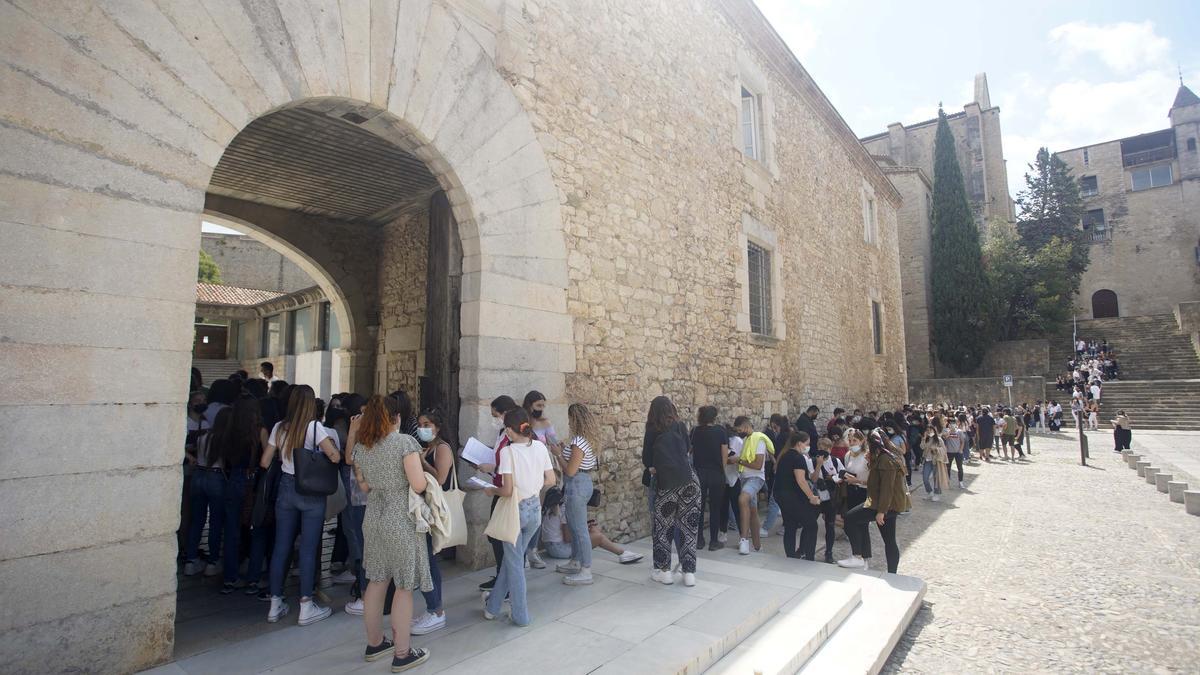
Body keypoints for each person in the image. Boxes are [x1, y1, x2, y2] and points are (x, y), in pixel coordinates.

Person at [351, 395, 431, 671]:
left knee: (376, 581)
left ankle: (375, 644)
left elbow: (364, 488)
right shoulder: (404, 443)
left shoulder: (362, 447)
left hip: (373, 515)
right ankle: (402, 653)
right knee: (404, 586)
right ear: (394, 418)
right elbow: (418, 484)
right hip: (400, 517)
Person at [260, 385, 342, 626]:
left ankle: (275, 604)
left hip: (286, 488)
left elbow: (265, 462)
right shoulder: (314, 427)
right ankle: (306, 605)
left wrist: (285, 458)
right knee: (308, 547)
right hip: (310, 491)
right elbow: (334, 456)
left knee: (281, 546)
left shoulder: (278, 427)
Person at [482, 408, 556, 625]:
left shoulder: (508, 452)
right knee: (511, 561)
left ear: (509, 431)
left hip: (515, 510)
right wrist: (533, 486)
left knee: (515, 566)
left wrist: (490, 490)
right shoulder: (540, 447)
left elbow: (505, 490)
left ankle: (520, 615)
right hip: (534, 509)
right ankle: (493, 607)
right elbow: (551, 479)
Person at [645, 396, 701, 586]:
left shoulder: (652, 429)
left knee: (663, 529)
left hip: (666, 484)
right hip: (690, 481)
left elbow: (647, 461)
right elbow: (686, 450)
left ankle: (664, 572)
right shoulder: (680, 425)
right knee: (688, 528)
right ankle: (689, 574)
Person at [838, 429, 909, 573]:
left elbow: (887, 488)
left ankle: (857, 557)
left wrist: (881, 511)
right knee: (889, 540)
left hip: (883, 504)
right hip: (886, 504)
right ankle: (892, 573)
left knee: (850, 518)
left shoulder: (886, 460)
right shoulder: (884, 457)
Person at [217, 398, 268, 594]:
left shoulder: (230, 430)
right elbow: (267, 460)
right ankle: (253, 579)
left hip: (234, 480)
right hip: (253, 481)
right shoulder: (260, 431)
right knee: (257, 530)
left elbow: (224, 460)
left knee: (231, 531)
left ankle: (230, 578)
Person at [410, 408, 453, 635]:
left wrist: (421, 462)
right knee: (426, 559)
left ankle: (435, 610)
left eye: (427, 424)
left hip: (434, 511)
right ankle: (433, 608)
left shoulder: (442, 448)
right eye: (420, 424)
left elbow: (441, 478)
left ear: (437, 426)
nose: (423, 428)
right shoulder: (426, 447)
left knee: (428, 560)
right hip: (424, 509)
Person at [552, 403, 602, 585]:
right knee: (574, 526)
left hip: (577, 485)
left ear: (574, 419)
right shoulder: (582, 441)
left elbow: (571, 470)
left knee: (579, 529)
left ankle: (586, 569)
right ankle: (575, 561)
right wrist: (565, 449)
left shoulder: (578, 442)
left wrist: (558, 454)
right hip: (581, 484)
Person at [477, 395, 519, 592]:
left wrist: (492, 466)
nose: (495, 419)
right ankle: (502, 576)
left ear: (506, 413)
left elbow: (512, 464)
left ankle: (507, 582)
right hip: (500, 487)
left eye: (496, 415)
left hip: (507, 492)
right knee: (495, 535)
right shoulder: (503, 432)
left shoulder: (516, 435)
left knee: (504, 538)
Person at [183, 407, 231, 577]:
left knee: (197, 520)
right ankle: (213, 561)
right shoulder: (226, 439)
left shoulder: (204, 435)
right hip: (216, 477)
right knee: (216, 522)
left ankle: (191, 560)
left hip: (199, 475)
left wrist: (191, 458)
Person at [521, 390, 557, 570]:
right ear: (529, 405)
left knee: (537, 512)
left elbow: (554, 443)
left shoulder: (545, 423)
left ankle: (532, 550)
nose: (541, 409)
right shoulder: (523, 423)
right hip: (525, 470)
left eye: (543, 405)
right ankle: (522, 552)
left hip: (541, 470)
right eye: (538, 405)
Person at [774, 431, 821, 560]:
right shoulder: (798, 458)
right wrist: (811, 497)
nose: (808, 446)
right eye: (807, 444)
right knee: (811, 525)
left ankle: (791, 556)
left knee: (790, 525)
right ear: (800, 443)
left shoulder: (784, 455)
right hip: (793, 497)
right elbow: (801, 480)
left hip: (781, 495)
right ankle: (809, 557)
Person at [690, 406, 730, 552]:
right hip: (716, 473)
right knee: (715, 508)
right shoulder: (720, 431)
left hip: (699, 472)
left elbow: (690, 450)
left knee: (698, 507)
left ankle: (699, 540)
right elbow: (724, 454)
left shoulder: (695, 431)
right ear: (714, 417)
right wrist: (722, 471)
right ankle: (714, 541)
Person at [735, 416, 772, 556]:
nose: (739, 432)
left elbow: (757, 465)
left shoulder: (758, 440)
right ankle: (757, 546)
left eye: (739, 429)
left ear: (745, 426)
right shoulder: (746, 440)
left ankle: (744, 540)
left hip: (755, 478)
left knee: (742, 499)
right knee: (753, 510)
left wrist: (739, 460)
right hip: (745, 477)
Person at [812, 437, 844, 563]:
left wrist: (833, 478)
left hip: (830, 498)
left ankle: (829, 552)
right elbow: (813, 478)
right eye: (821, 448)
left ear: (830, 449)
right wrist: (819, 465)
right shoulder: (813, 461)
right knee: (810, 524)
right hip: (817, 497)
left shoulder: (835, 461)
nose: (823, 451)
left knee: (830, 526)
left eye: (825, 449)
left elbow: (842, 474)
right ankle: (805, 549)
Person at [920, 422, 948, 501]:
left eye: (930, 430)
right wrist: (924, 438)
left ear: (934, 430)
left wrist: (936, 449)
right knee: (925, 478)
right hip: (927, 461)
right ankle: (929, 492)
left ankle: (937, 494)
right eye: (927, 431)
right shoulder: (926, 439)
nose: (929, 432)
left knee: (936, 478)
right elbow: (922, 447)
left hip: (936, 461)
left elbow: (944, 449)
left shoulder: (939, 439)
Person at [944, 416, 965, 489]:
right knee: (948, 467)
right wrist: (950, 431)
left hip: (958, 452)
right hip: (949, 452)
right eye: (951, 424)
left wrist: (961, 450)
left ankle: (961, 482)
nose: (952, 425)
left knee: (960, 467)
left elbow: (962, 441)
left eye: (953, 423)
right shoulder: (946, 431)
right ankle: (948, 481)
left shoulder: (959, 431)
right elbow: (945, 437)